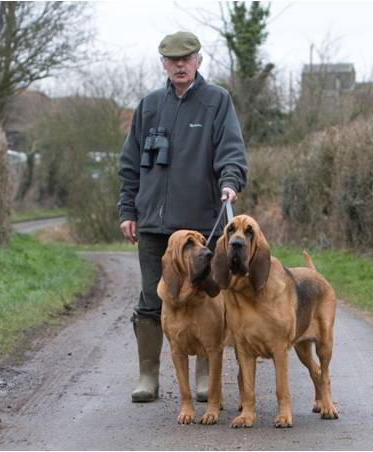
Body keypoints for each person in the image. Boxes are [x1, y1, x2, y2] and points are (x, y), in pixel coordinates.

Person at [117, 31, 248, 403]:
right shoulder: (149, 106)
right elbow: (129, 165)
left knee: (207, 295)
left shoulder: (217, 102)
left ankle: (206, 376)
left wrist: (230, 182)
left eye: (186, 58)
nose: (180, 64)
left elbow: (232, 153)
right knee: (152, 297)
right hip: (153, 225)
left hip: (202, 226)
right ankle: (148, 377)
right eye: (172, 60)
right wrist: (128, 210)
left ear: (198, 61)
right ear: (163, 64)